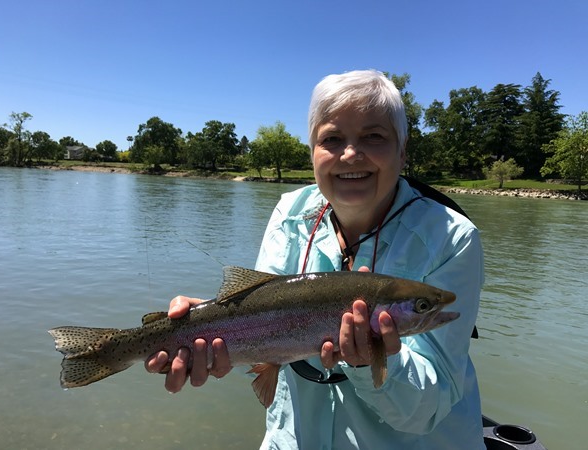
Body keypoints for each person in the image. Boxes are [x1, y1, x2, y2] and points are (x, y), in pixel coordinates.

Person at [146, 69, 486, 449]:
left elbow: (429, 409)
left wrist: (367, 363)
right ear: (312, 152)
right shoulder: (290, 211)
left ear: (403, 151)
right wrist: (210, 322)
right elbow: (262, 310)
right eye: (332, 139)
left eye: (374, 136)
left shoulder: (453, 237)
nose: (351, 154)